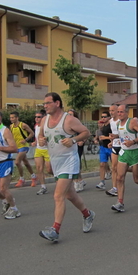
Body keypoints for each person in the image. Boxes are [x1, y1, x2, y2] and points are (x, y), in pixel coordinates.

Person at [38, 92, 95, 242]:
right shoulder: (44, 120)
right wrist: (41, 140)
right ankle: (88, 214)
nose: (45, 106)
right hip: (55, 161)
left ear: (57, 103)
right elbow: (41, 136)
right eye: (44, 104)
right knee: (70, 195)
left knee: (58, 196)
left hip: (69, 161)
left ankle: (55, 230)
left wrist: (73, 140)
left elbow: (86, 132)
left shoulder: (69, 120)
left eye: (48, 103)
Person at [110, 104, 138, 213]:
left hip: (134, 153)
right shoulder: (118, 123)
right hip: (124, 152)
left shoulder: (132, 122)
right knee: (119, 177)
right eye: (118, 112)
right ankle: (120, 203)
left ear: (127, 112)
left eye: (121, 112)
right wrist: (114, 139)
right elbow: (123, 135)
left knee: (137, 179)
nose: (119, 114)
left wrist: (132, 142)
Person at [9, 111, 37, 187]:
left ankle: (22, 179)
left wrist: (26, 140)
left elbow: (32, 133)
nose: (11, 119)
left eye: (13, 117)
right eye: (10, 117)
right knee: (26, 163)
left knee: (17, 162)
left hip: (24, 146)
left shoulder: (23, 125)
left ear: (17, 118)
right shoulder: (11, 126)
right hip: (17, 147)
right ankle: (34, 177)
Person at [32, 110, 51, 195]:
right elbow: (37, 137)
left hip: (47, 150)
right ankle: (43, 187)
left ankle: (62, 181)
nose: (36, 118)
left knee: (49, 169)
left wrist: (45, 140)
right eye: (36, 117)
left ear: (43, 117)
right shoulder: (36, 126)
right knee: (39, 169)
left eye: (39, 117)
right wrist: (35, 142)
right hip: (39, 150)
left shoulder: (47, 126)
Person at [68, 109, 87, 193]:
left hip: (78, 146)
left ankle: (77, 183)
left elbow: (86, 134)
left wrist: (82, 141)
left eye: (71, 114)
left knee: (75, 164)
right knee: (72, 164)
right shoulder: (66, 125)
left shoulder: (78, 124)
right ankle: (80, 180)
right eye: (68, 114)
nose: (69, 116)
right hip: (70, 146)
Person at [106, 105, 121, 196]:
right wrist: (111, 141)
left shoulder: (121, 121)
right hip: (115, 146)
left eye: (113, 110)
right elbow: (113, 134)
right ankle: (115, 188)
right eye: (110, 110)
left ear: (117, 111)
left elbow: (124, 133)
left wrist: (116, 136)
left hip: (123, 146)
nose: (111, 112)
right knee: (114, 167)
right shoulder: (111, 121)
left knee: (124, 168)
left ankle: (137, 169)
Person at [96, 111, 112, 190]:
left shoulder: (111, 125)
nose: (103, 118)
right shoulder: (102, 126)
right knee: (102, 164)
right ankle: (102, 182)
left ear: (109, 117)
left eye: (105, 117)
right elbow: (97, 135)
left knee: (115, 167)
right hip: (103, 147)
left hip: (111, 147)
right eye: (102, 116)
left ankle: (116, 184)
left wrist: (105, 138)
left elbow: (115, 136)